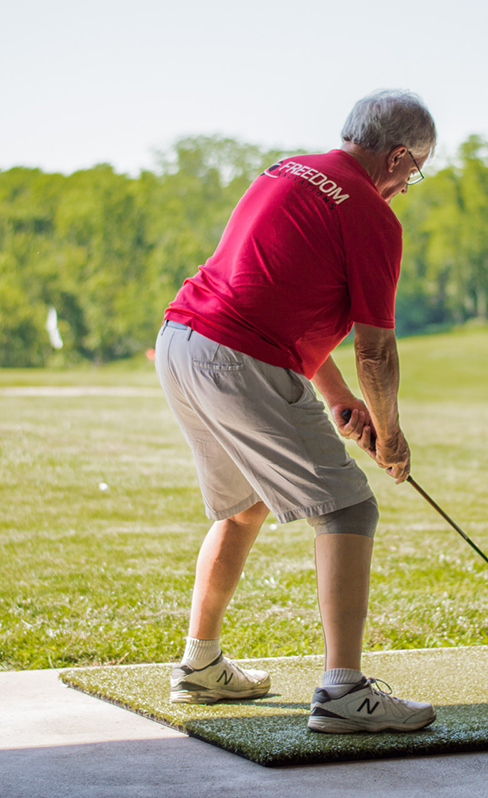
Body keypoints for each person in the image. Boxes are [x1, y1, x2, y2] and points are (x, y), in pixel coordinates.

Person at [155, 89, 436, 734]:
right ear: (396, 157)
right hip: (237, 355)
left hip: (182, 343)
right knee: (349, 507)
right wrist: (390, 438)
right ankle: (343, 691)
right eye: (412, 173)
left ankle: (201, 666)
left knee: (245, 504)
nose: (405, 188)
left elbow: (276, 300)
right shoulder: (371, 215)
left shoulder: (287, 170)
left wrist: (337, 399)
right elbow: (377, 351)